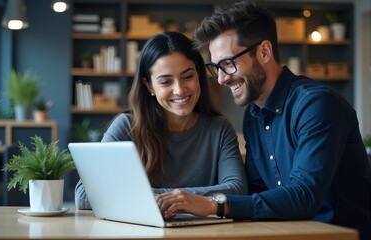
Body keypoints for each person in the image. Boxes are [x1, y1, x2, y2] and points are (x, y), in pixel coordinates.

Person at [156, 2, 371, 240]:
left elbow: (304, 196)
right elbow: (256, 190)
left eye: (228, 64)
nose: (221, 79)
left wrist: (213, 204)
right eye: (216, 67)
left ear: (264, 52)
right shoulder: (254, 115)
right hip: (289, 233)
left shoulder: (316, 105)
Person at [75, 31, 248, 210]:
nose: (179, 90)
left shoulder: (219, 129)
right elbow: (84, 194)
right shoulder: (127, 126)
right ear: (149, 86)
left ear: (198, 74)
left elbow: (238, 190)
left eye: (187, 77)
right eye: (166, 82)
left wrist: (161, 197)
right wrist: (174, 199)